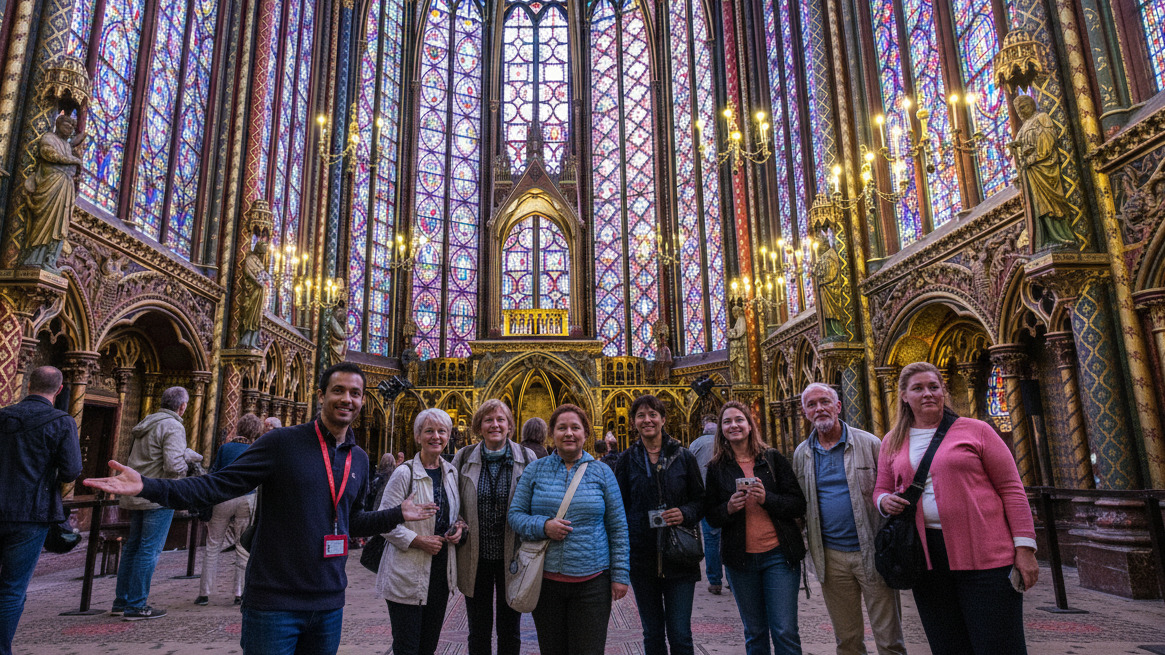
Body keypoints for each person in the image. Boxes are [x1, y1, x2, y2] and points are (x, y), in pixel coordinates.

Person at [85, 362, 437, 655]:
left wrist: (398, 514)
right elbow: (216, 485)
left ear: (363, 401)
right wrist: (148, 485)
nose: (347, 399)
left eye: (355, 393)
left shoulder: (358, 458)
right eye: (339, 390)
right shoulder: (282, 443)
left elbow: (352, 521)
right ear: (321, 396)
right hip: (275, 602)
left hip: (329, 602)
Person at [875, 362, 1037, 654]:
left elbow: (1012, 489)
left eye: (934, 387)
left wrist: (1024, 549)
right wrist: (884, 501)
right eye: (918, 388)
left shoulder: (977, 431)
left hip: (986, 554)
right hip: (926, 558)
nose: (928, 394)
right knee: (947, 644)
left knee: (998, 645)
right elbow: (881, 488)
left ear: (943, 391)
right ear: (903, 396)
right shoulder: (892, 441)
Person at [792, 384, 905, 655]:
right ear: (805, 412)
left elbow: (891, 486)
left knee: (889, 640)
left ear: (838, 406)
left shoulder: (869, 444)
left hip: (873, 552)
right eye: (811, 405)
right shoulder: (801, 454)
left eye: (824, 402)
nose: (819, 408)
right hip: (831, 557)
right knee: (847, 640)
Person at [509, 404, 630, 655]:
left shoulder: (602, 472)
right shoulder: (535, 470)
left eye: (575, 427)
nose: (569, 433)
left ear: (586, 433)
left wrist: (620, 575)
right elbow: (515, 516)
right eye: (561, 428)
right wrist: (543, 526)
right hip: (546, 581)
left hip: (592, 583)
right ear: (551, 434)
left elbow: (617, 527)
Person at [705, 401, 806, 655]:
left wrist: (766, 499)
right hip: (741, 561)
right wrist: (728, 508)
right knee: (754, 632)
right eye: (727, 422)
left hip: (778, 556)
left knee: (784, 631)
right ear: (721, 430)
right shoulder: (717, 468)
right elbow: (711, 516)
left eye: (739, 419)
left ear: (750, 425)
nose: (733, 425)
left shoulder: (772, 459)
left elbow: (797, 504)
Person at [614, 394, 704, 655]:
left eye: (653, 414)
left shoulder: (684, 457)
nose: (647, 420)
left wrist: (684, 513)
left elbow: (700, 500)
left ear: (663, 419)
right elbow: (619, 507)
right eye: (641, 415)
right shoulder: (627, 460)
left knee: (680, 634)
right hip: (642, 558)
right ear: (633, 423)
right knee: (652, 634)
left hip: (679, 557)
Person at [0, 366, 81, 655]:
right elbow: (72, 471)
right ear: (59, 390)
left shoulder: (3, 415)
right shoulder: (61, 421)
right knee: (11, 588)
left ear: (28, 384)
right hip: (31, 514)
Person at [451, 400, 538, 655]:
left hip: (512, 557)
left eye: (501, 420)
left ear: (510, 426)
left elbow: (536, 501)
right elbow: (452, 499)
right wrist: (456, 521)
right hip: (474, 556)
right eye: (488, 420)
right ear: (479, 426)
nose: (495, 425)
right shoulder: (464, 456)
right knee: (478, 629)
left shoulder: (526, 457)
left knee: (510, 628)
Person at [376, 408, 464, 655]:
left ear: (448, 436)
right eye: (429, 431)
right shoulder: (404, 473)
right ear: (418, 436)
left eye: (441, 431)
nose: (435, 436)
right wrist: (417, 540)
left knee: (428, 646)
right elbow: (383, 521)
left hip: (439, 573)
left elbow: (453, 514)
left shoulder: (451, 472)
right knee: (407, 647)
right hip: (407, 573)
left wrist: (458, 528)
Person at [108, 386, 191, 620]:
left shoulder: (148, 422)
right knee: (149, 550)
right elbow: (174, 466)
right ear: (182, 406)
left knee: (133, 547)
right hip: (158, 494)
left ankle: (121, 601)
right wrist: (188, 461)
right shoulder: (173, 425)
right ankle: (136, 605)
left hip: (137, 491)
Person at [195, 413, 262, 607]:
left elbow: (215, 473)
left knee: (213, 544)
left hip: (223, 498)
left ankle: (204, 594)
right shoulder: (254, 449)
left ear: (239, 428)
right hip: (246, 497)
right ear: (256, 432)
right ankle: (239, 593)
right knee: (242, 548)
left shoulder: (225, 448)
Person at [687, 417, 724, 594]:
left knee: (710, 540)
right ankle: (733, 580)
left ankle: (715, 580)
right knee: (729, 537)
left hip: (704, 495)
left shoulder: (695, 444)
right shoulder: (724, 442)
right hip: (725, 495)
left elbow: (687, 468)